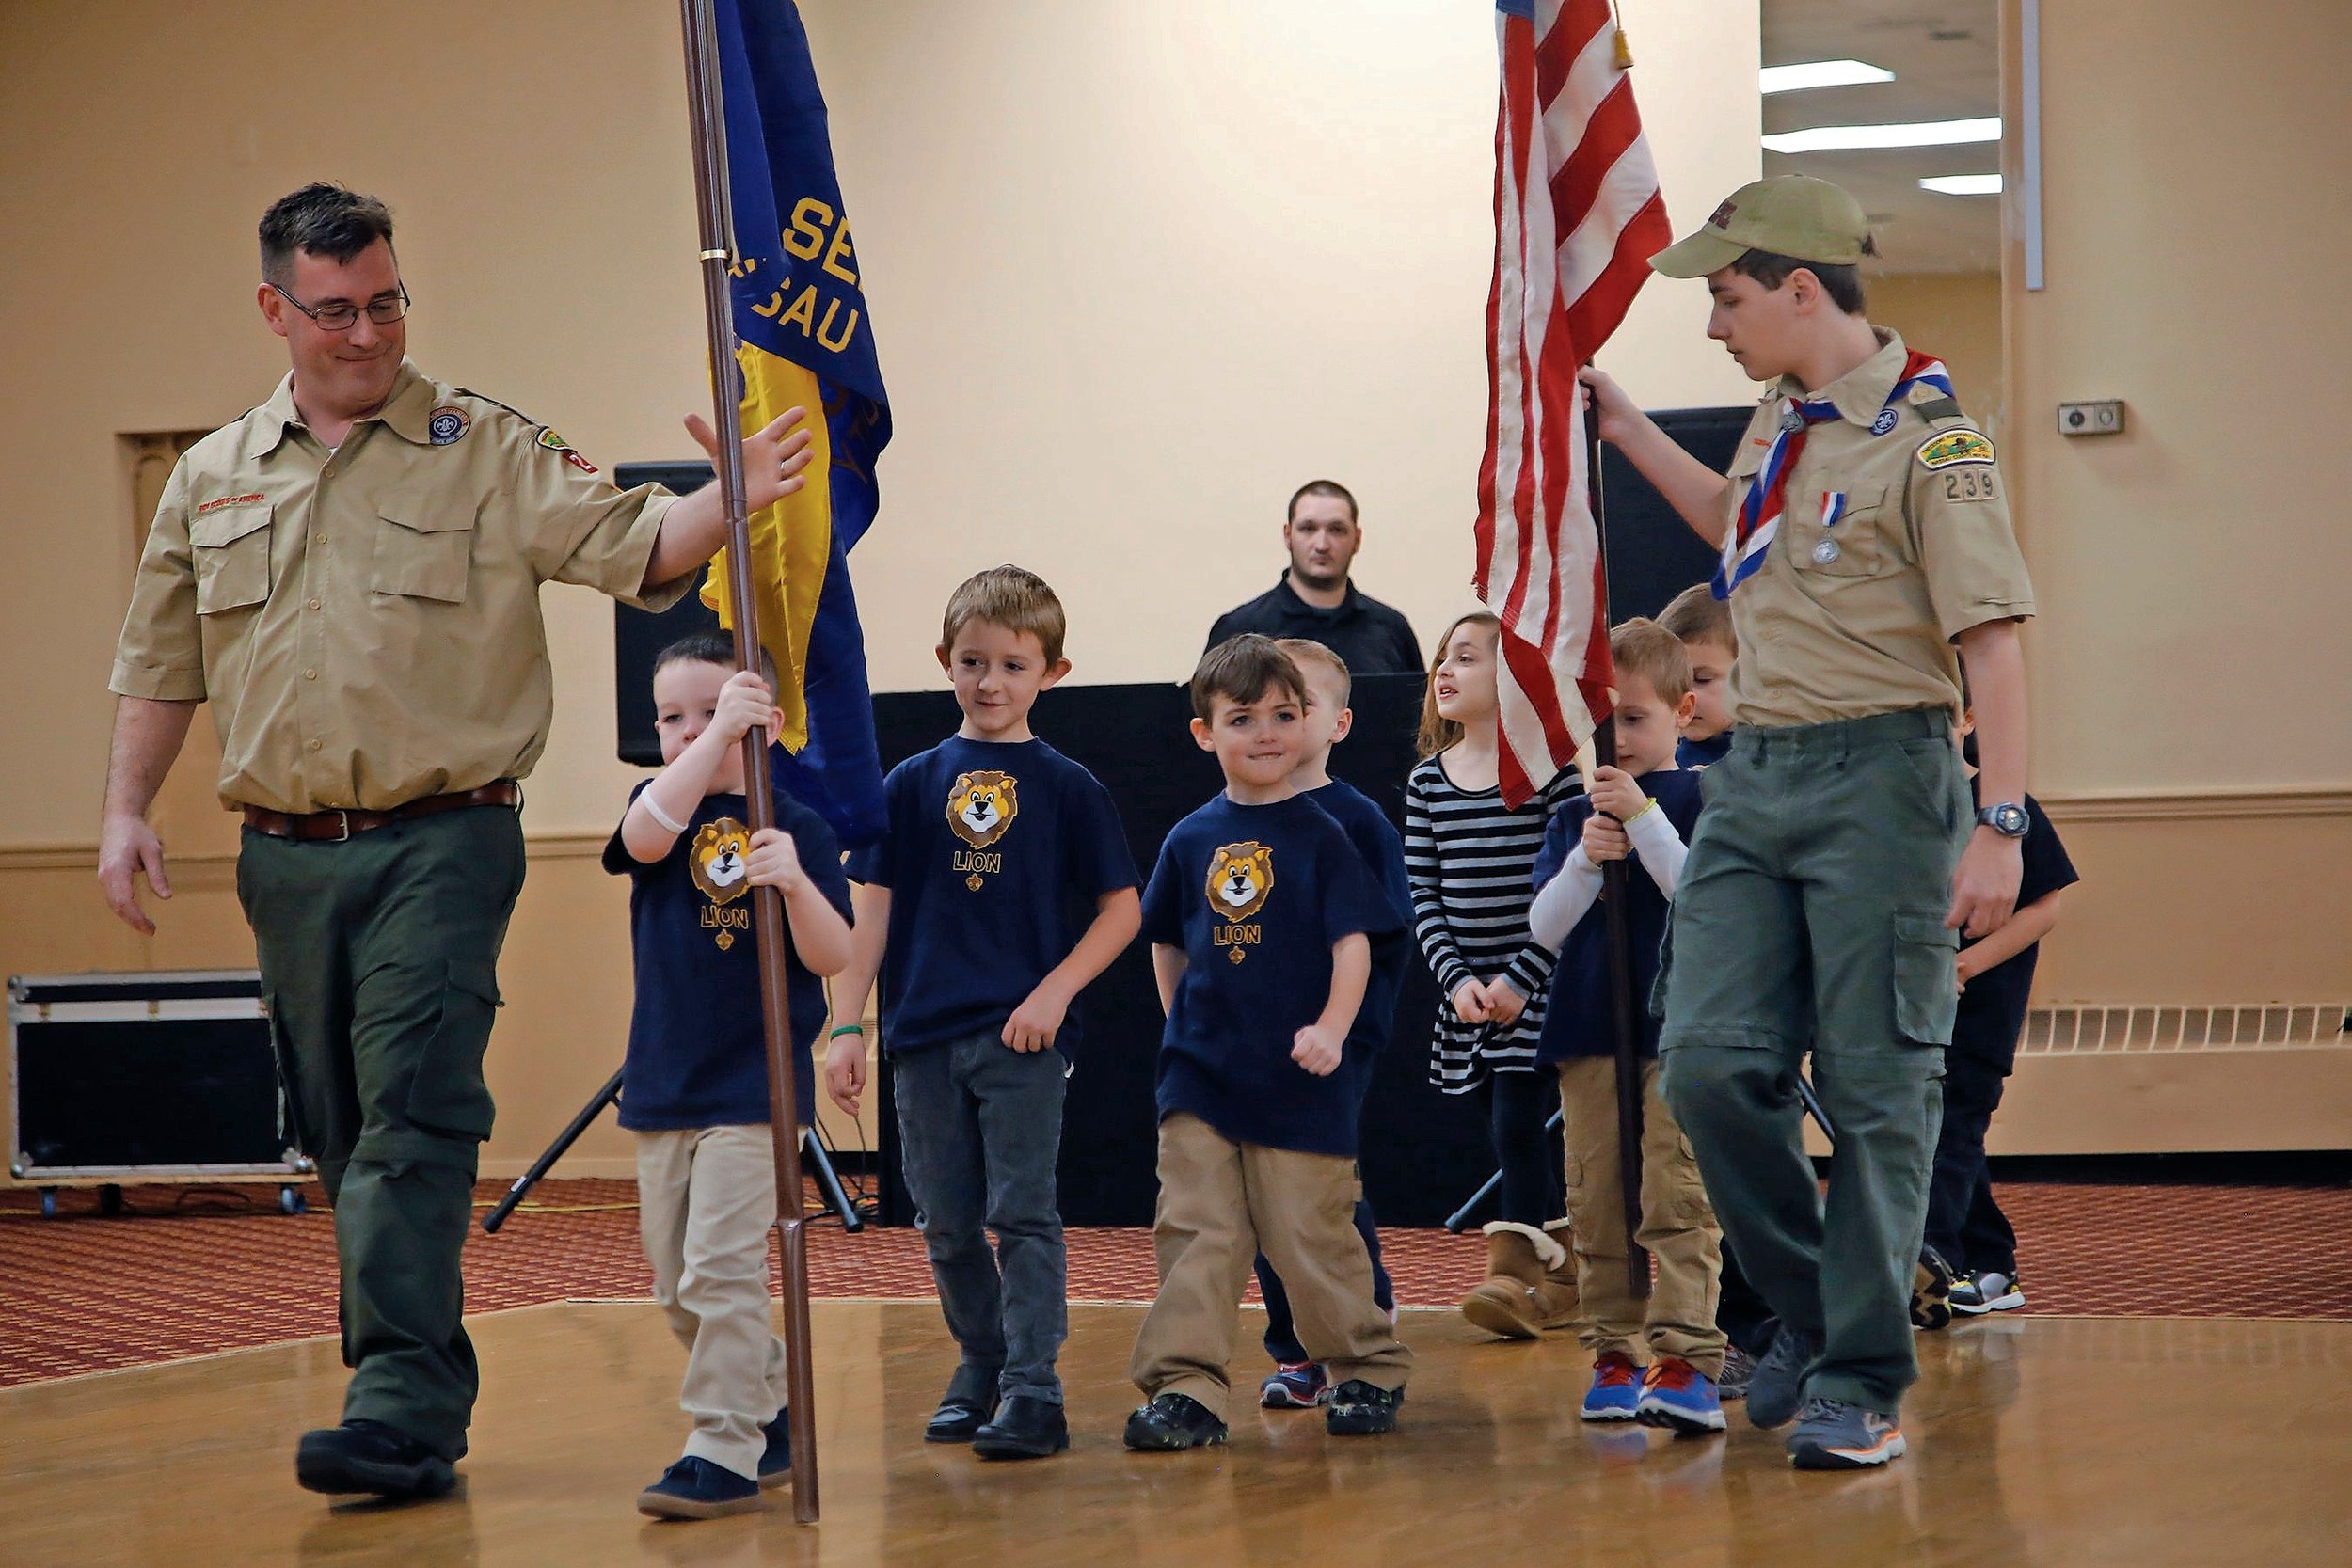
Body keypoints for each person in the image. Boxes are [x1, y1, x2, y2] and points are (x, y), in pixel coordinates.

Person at [96, 183, 814, 1500]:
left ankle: (397, 1404)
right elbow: (161, 661)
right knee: (342, 1133)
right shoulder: (210, 477)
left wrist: (732, 495)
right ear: (274, 310)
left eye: (386, 302)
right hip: (284, 854)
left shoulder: (479, 443)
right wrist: (125, 807)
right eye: (335, 310)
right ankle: (414, 1402)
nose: (368, 332)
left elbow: (634, 540)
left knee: (412, 1115)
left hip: (444, 836)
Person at [1581, 173, 2038, 1470]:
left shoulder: (1932, 438)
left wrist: (1999, 821)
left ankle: (1860, 1380)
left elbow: (1993, 643)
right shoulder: (1780, 419)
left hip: (1885, 777)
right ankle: (1821, 1306)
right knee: (1706, 1065)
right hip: (1759, 775)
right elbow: (1738, 530)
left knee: (1878, 1087)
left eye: (1728, 297)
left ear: (1799, 288)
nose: (1713, 323)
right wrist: (1625, 426)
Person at [826, 566, 1140, 1462]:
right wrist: (846, 1026)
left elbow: (1123, 909)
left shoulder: (1069, 786)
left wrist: (1054, 992)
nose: (990, 682)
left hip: (1021, 1039)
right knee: (945, 1218)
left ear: (1053, 672)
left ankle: (1035, 1388)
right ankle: (982, 1361)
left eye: (1012, 664)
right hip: (922, 1038)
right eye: (972, 662)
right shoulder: (909, 782)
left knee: (1023, 1212)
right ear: (944, 662)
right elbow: (870, 914)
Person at [1126, 636, 1413, 1449]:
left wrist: (1333, 1029)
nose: (1266, 733)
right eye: (1243, 717)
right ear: (1204, 732)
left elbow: (1355, 944)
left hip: (1299, 1078)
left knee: (1309, 1228)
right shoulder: (1189, 836)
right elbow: (1168, 941)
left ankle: (1363, 1365)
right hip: (1201, 1075)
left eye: (1284, 715)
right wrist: (1181, 1026)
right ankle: (1186, 1387)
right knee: (1197, 1228)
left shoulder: (1324, 832)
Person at [603, 636, 854, 1520]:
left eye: (713, 712)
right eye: (672, 717)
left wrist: (795, 885)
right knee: (676, 1285)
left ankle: (721, 1446)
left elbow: (833, 952)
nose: (688, 730)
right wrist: (716, 739)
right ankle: (767, 1405)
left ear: (767, 724)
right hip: (665, 1083)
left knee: (720, 1271)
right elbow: (642, 839)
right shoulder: (658, 810)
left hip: (755, 1091)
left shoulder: (799, 826)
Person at [1526, 620, 1726, 1433]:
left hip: (1680, 1026)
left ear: (1684, 712)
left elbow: (1701, 895)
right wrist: (1585, 857)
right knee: (1598, 1198)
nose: (1616, 741)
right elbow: (1543, 927)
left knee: (1675, 1194)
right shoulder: (1574, 817)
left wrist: (1643, 822)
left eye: (1634, 720)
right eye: (1600, 725)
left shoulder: (1705, 798)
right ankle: (1615, 1348)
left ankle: (1686, 1355)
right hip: (1588, 1029)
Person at [1404, 612, 1580, 1338]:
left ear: (1513, 679)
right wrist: (1455, 981)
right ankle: (1565, 1273)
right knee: (1514, 1134)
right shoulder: (1427, 781)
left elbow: (1575, 885)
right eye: (1444, 658)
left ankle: (1512, 1273)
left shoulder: (1550, 774)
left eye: (1467, 658)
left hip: (1537, 987)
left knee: (1517, 1123)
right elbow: (1423, 893)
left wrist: (1521, 977)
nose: (1446, 670)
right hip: (1470, 996)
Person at [1250, 640, 1408, 1411]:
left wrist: (1344, 1027)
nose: (1276, 722)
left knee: (1316, 1188)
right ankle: (1295, 1347)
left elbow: (1384, 936)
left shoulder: (1358, 821)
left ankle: (1360, 1320)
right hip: (1250, 1043)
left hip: (1332, 1042)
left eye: (1297, 705)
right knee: (1261, 1195)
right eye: (1259, 707)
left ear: (1338, 723)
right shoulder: (1236, 817)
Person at [1658, 580, 1776, 1393]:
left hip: (1742, 998)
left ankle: (1757, 1327)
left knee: (1740, 1175)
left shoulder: (1757, 768)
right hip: (1672, 1000)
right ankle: (1689, 1327)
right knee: (1679, 1182)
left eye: (1703, 677)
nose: (1689, 697)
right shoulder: (1657, 766)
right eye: (1676, 681)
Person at [1928, 698, 2077, 1318]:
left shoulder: (1999, 808)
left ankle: (1928, 1262)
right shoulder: (1893, 813)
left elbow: (2044, 908)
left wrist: (1964, 967)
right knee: (1941, 1133)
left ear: (1967, 717)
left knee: (1953, 1126)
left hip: (1980, 1009)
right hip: (1913, 1008)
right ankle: (1992, 1261)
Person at [1203, 481, 1422, 674]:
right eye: (1308, 528)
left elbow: (1421, 707)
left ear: (1357, 539)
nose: (1322, 545)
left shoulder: (1392, 628)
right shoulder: (1239, 629)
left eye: (1337, 530)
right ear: (1288, 535)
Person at [1658, 583, 1737, 769]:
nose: (1683, 697)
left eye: (1702, 680)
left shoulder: (1770, 761)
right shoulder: (1658, 759)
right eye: (1672, 681)